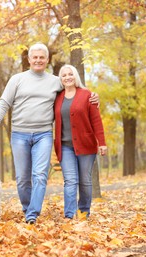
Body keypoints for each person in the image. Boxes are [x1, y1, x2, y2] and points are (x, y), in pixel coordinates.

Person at [0, 43, 98, 224]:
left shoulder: (55, 82)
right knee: (22, 178)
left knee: (39, 175)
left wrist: (92, 97)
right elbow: (4, 103)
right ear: (29, 60)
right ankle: (27, 208)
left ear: (47, 60)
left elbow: (74, 92)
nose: (38, 60)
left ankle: (32, 215)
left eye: (41, 57)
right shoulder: (17, 79)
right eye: (35, 57)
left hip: (43, 135)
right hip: (19, 135)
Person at [54, 64, 107, 220]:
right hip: (65, 147)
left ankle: (83, 213)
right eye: (64, 75)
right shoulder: (57, 97)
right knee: (70, 181)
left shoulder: (87, 95)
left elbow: (96, 121)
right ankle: (69, 216)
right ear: (61, 79)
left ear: (75, 76)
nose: (68, 77)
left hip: (86, 145)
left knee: (85, 181)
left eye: (70, 74)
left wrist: (102, 143)